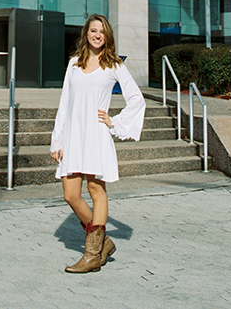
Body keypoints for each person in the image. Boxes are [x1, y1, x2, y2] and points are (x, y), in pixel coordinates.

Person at [50, 14, 146, 273]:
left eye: (102, 32)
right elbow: (64, 104)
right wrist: (56, 139)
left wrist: (114, 121)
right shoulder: (73, 64)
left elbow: (137, 99)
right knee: (70, 194)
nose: (97, 35)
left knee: (96, 191)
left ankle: (92, 254)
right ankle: (103, 241)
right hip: (72, 135)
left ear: (107, 36)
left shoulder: (114, 64)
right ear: (86, 33)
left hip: (96, 133)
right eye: (93, 30)